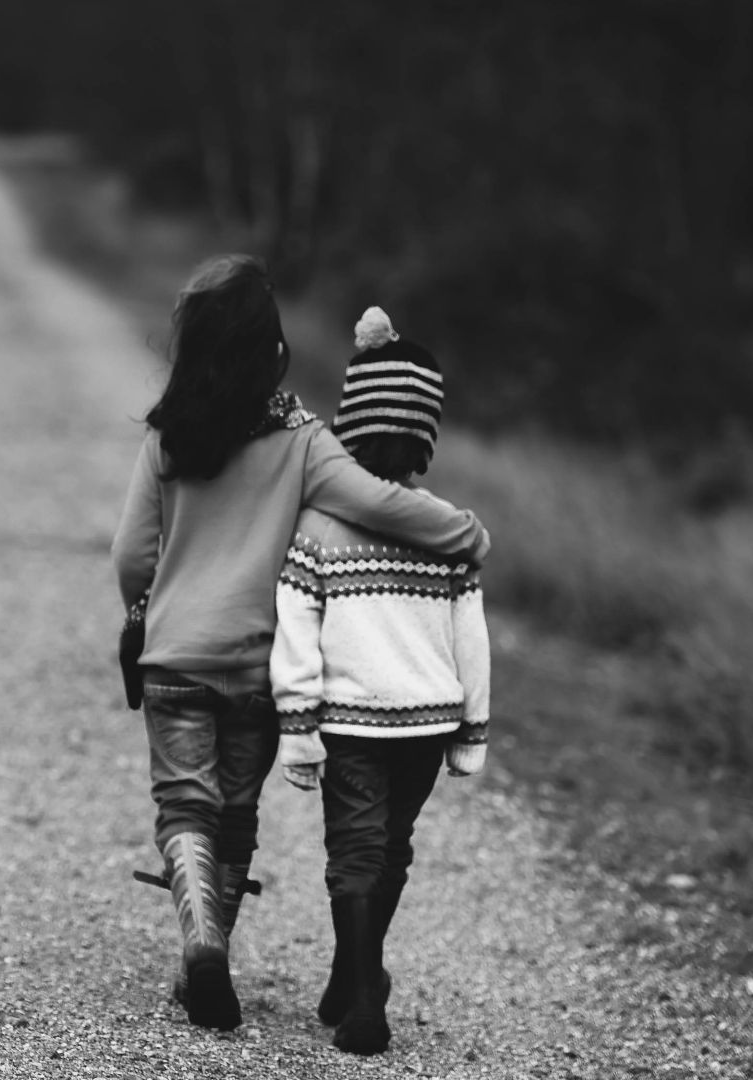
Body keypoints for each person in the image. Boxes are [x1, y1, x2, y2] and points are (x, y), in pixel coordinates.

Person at [110, 259, 491, 1033]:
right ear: (271, 349)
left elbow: (130, 556)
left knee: (185, 805)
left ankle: (203, 941)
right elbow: (379, 502)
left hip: (176, 658)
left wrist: (147, 611)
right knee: (236, 815)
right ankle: (214, 946)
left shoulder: (167, 438)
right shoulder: (303, 440)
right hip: (257, 666)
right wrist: (466, 534)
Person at [270, 307, 490, 1055]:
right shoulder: (445, 529)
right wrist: (473, 730)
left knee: (355, 853)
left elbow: (295, 630)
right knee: (391, 848)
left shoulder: (319, 525)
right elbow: (472, 639)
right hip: (426, 724)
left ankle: (363, 994)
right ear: (425, 437)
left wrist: (297, 728)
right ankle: (353, 974)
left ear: (348, 427)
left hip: (351, 722)